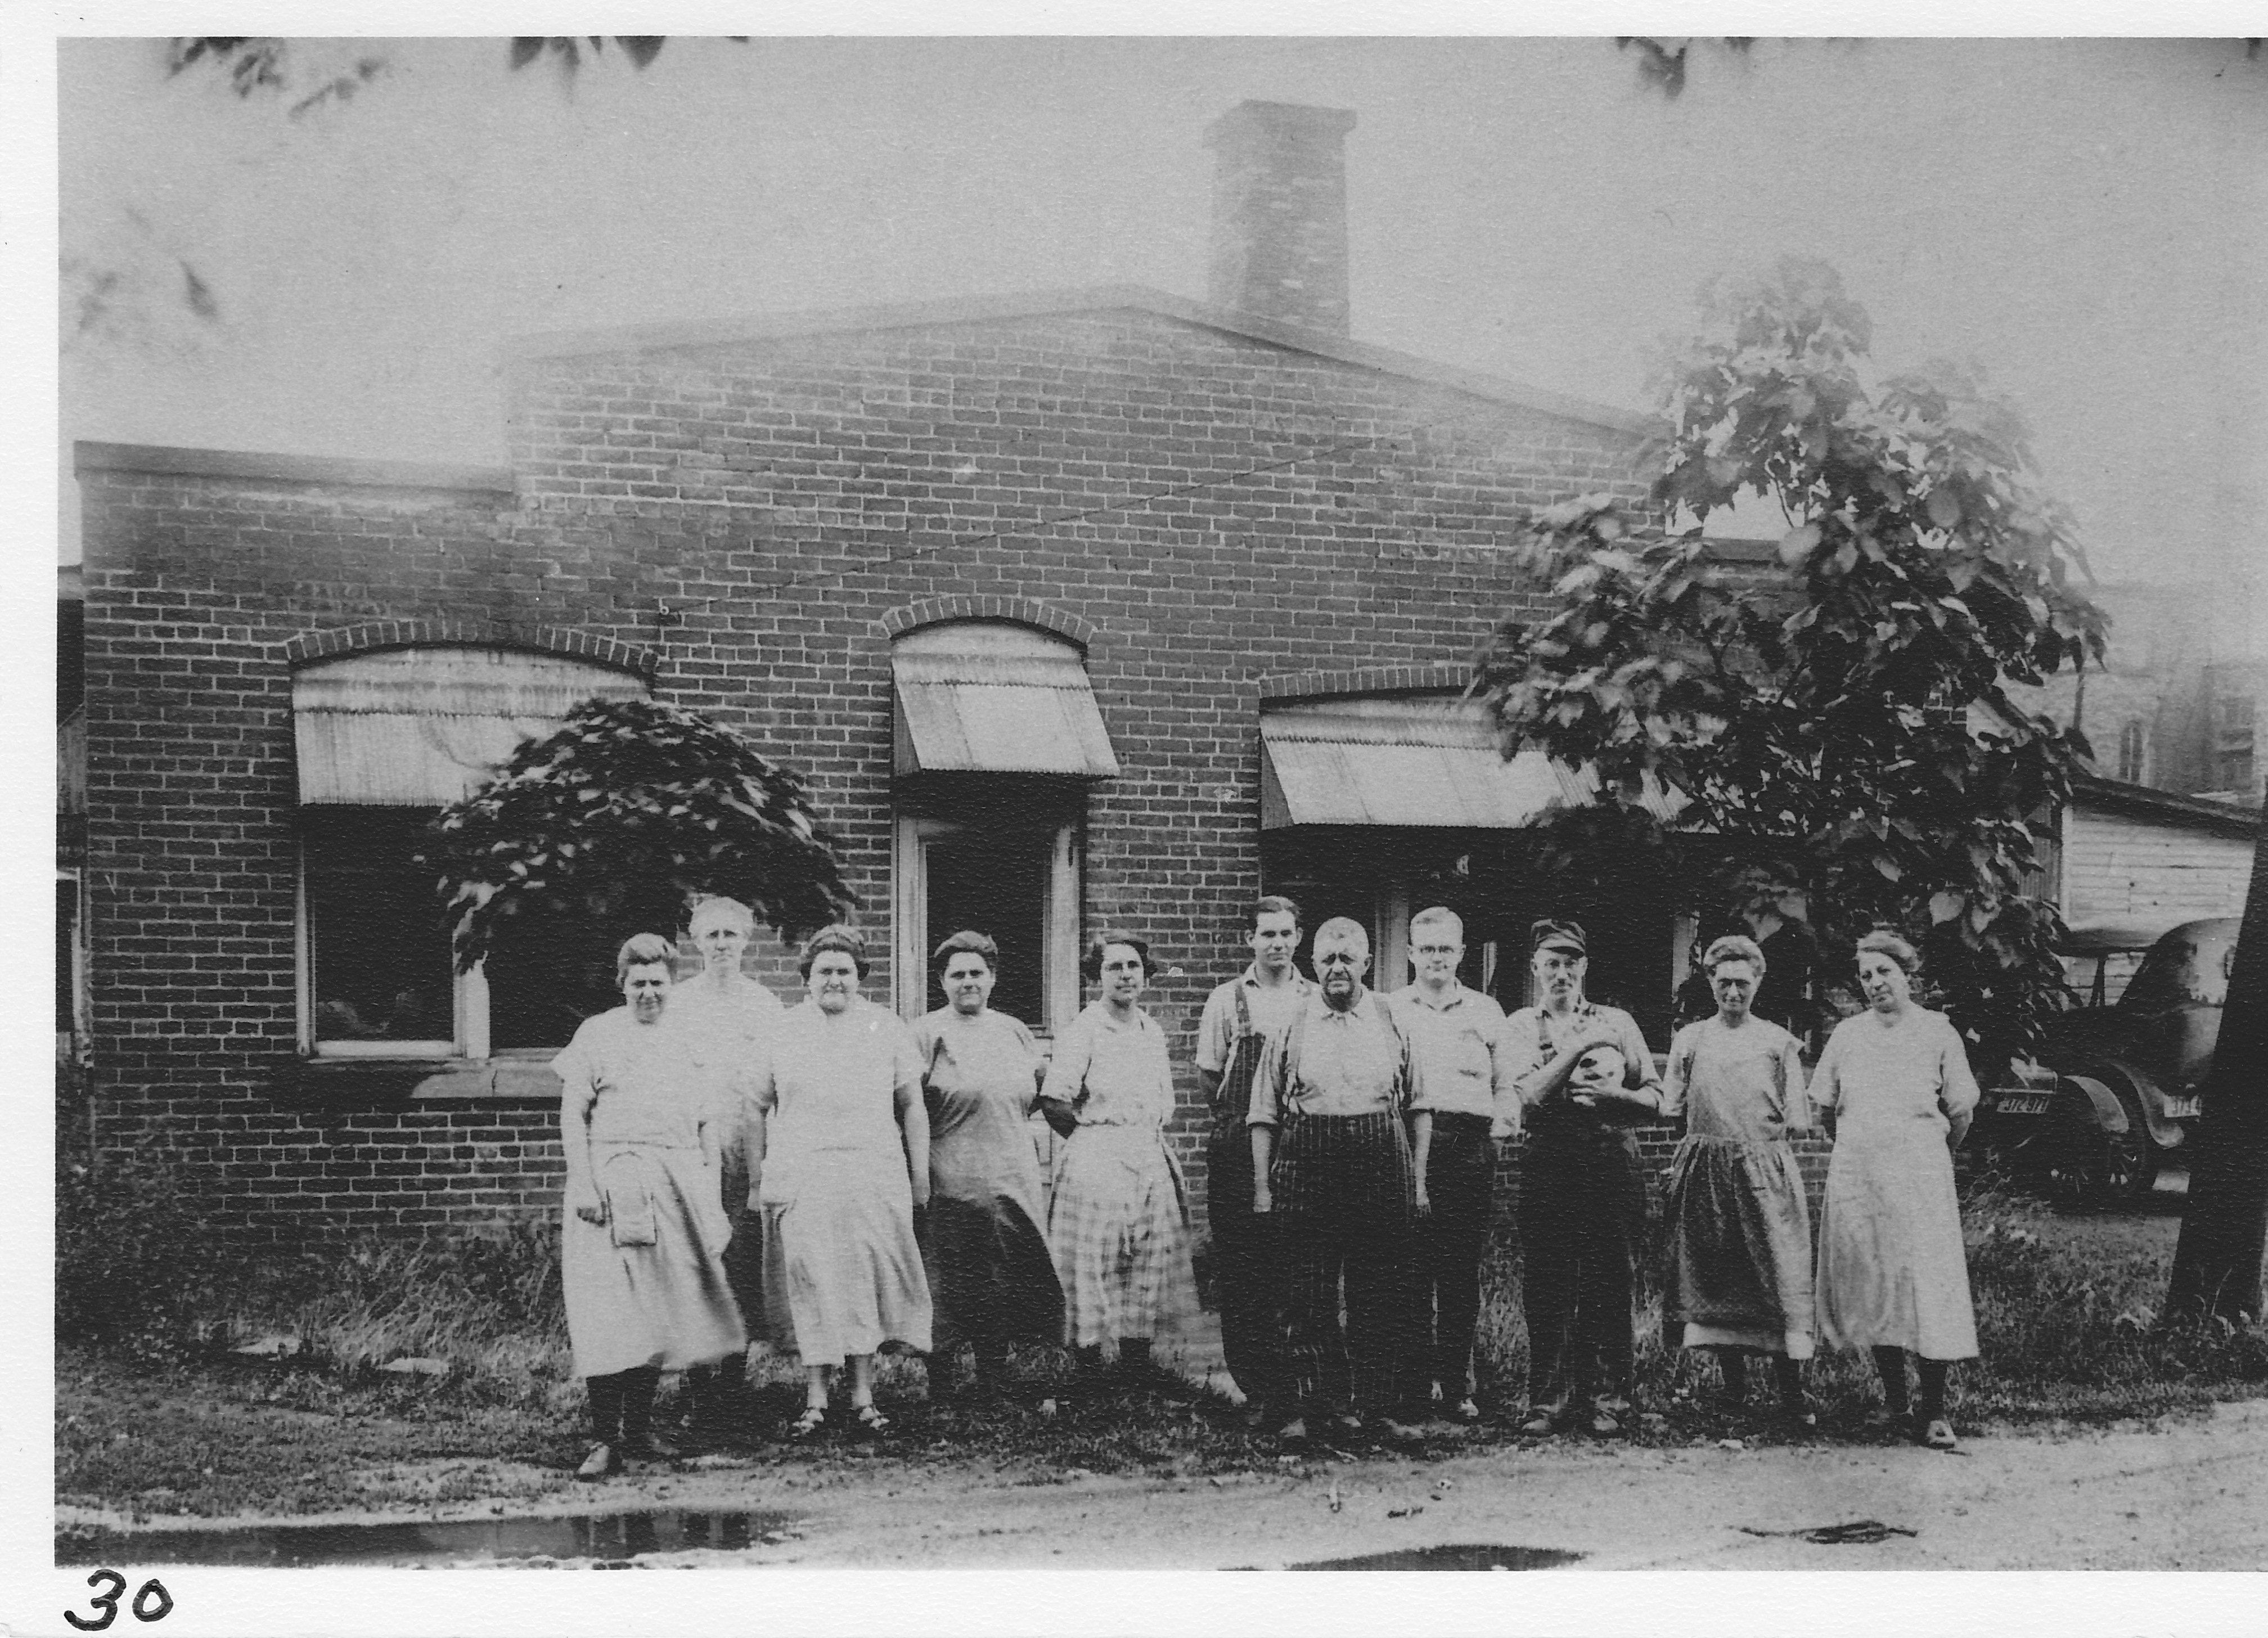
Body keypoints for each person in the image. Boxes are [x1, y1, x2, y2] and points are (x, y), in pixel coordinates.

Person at [556, 932, 747, 1480]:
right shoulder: (597, 1033)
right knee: (609, 1312)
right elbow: (574, 1115)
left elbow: (708, 1128)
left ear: (672, 985)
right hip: (611, 1183)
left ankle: (638, 1431)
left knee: (657, 1311)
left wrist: (709, 1204)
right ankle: (603, 1437)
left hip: (676, 1181)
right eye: (637, 983)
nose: (648, 994)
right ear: (621, 985)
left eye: (657, 983)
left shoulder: (691, 1040)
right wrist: (585, 1183)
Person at [1249, 916, 1426, 1448]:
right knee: (1306, 1294)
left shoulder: (1393, 1018)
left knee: (1381, 1293)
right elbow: (1263, 1114)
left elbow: (1419, 1106)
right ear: (1314, 964)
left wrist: (1417, 1182)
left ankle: (1377, 1412)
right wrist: (1262, 1187)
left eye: (1348, 958)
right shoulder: (1291, 1025)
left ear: (1368, 964)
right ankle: (1312, 1410)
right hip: (1308, 1165)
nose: (1337, 968)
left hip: (1381, 1164)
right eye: (1327, 959)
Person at [752, 925, 933, 1438]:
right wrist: (758, 1176)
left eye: (845, 971)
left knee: (861, 1279)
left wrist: (919, 1175)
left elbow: (913, 1106)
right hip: (803, 1171)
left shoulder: (886, 1027)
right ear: (807, 978)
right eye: (824, 971)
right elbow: (755, 1107)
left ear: (860, 978)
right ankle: (814, 1400)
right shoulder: (782, 1030)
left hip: (871, 1171)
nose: (834, 980)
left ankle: (863, 1397)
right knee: (812, 1278)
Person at [1810, 930, 1981, 1451]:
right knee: (1877, 1283)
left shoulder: (1938, 1033)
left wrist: (1923, 1151)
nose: (1875, 983)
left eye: (1885, 971)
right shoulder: (1848, 1036)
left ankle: (1933, 1409)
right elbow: (1824, 1109)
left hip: (1922, 1176)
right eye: (1866, 976)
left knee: (1927, 1285)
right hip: (1862, 1178)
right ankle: (1894, 1403)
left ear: (1908, 974)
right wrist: (1867, 1149)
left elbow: (1960, 1112)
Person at [1504, 918, 1662, 1436]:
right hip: (1550, 1160)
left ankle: (1609, 1401)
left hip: (1612, 1160)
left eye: (1571, 963)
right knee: (1547, 1280)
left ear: (1585, 967)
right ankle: (1548, 1402)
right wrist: (1574, 1050)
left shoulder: (1618, 1021)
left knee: (1610, 1279)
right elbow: (1526, 1097)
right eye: (1552, 963)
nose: (1562, 974)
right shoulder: (1523, 1025)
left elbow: (1657, 1100)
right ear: (1535, 969)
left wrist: (1617, 1097)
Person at [1661, 934, 1817, 1426]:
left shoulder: (1777, 1041)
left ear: (1758, 984)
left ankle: (1792, 1394)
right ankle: (1734, 1391)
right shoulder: (1691, 1039)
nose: (1733, 993)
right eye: (1724, 983)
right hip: (1707, 1170)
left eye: (1742, 984)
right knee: (1719, 1274)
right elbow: (1672, 1107)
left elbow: (1798, 1118)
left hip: (1763, 1172)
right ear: (1710, 983)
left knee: (1777, 1273)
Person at [1041, 930, 1199, 1397]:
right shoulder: (1085, 1029)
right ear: (1098, 976)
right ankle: (1090, 1369)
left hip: (1148, 1151)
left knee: (1149, 1260)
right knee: (1092, 1263)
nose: (1125, 975)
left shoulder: (1151, 1030)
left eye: (1133, 966)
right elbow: (1054, 1101)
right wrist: (1093, 1145)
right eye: (1114, 967)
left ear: (1145, 975)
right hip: (1098, 1152)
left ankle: (1135, 1369)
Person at [912, 930, 1064, 1401]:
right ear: (942, 981)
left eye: (977, 973)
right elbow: (908, 1104)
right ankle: (941, 1381)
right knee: (949, 1277)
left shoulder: (1014, 1030)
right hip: (950, 1174)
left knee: (1002, 1277)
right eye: (957, 975)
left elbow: (1040, 1093)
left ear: (993, 978)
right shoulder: (925, 1032)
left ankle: (994, 1378)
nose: (968, 983)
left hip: (1011, 1172)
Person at [663, 894, 786, 1447]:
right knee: (694, 1262)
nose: (721, 945)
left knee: (740, 1265)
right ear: (696, 942)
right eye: (710, 935)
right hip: (692, 1149)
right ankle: (697, 1388)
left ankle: (734, 1388)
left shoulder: (765, 1006)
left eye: (730, 936)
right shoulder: (678, 1004)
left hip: (747, 1152)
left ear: (746, 941)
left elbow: (780, 1086)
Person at [1394, 906, 1522, 1426]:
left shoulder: (1487, 1011)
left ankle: (1458, 1384)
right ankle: (1414, 1383)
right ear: (1410, 955)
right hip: (1412, 1144)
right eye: (1427, 950)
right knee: (1411, 1267)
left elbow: (1507, 1084)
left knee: (1459, 1270)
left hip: (1470, 1146)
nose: (1437, 959)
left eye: (1446, 949)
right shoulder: (1391, 1008)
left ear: (1462, 953)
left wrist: (1497, 1132)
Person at [1193, 895, 1312, 1427]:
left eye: (1286, 934)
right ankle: (1257, 1388)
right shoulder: (1226, 999)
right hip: (1239, 1149)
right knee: (1243, 1271)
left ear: (1299, 937)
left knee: (1296, 1268)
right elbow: (1209, 1078)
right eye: (1267, 935)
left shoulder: (1313, 997)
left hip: (1304, 1146)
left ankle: (1305, 1385)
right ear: (1250, 940)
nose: (1278, 944)